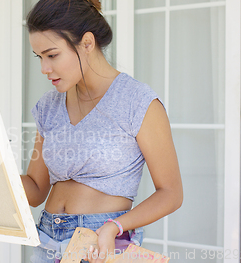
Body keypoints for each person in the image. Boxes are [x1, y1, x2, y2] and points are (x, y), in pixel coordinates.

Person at [21, 0, 183, 262]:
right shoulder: (49, 106)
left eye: (52, 55)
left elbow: (171, 194)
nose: (44, 69)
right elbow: (37, 189)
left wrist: (115, 227)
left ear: (87, 43)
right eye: (39, 57)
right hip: (47, 240)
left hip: (101, 242)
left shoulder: (137, 101)